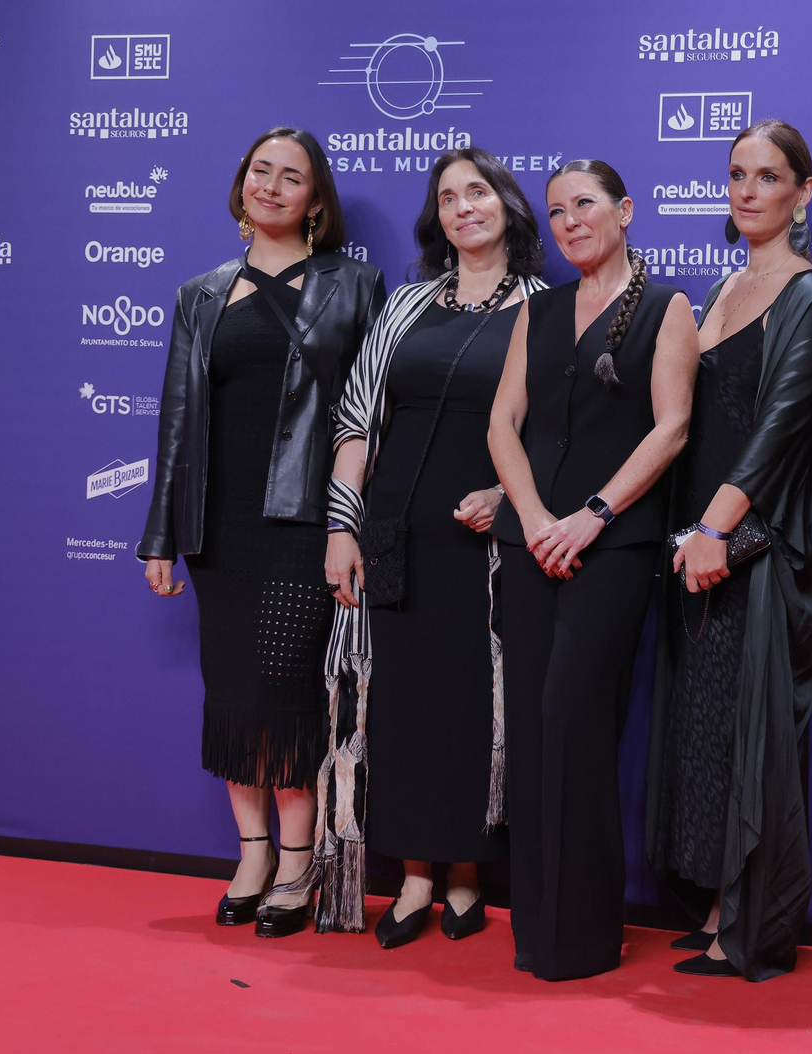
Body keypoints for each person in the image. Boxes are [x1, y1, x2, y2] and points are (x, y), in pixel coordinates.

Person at [137, 126, 385, 938]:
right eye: (260, 171)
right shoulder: (201, 292)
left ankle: (298, 859)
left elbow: (369, 413)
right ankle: (251, 853)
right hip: (220, 525)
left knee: (283, 695)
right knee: (232, 693)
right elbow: (177, 419)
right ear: (241, 185)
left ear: (316, 201)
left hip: (305, 519)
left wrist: (351, 520)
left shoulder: (355, 284)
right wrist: (162, 536)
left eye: (292, 177)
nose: (272, 186)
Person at [315, 149, 548, 944]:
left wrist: (506, 493)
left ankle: (465, 873)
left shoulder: (546, 307)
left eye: (477, 191)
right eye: (447, 197)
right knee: (399, 705)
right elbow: (355, 422)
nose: (462, 207)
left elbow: (558, 432)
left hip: (485, 552)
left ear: (508, 205)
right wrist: (342, 526)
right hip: (391, 534)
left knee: (473, 707)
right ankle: (413, 874)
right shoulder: (405, 304)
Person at [488, 159, 700, 981]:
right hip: (528, 541)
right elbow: (505, 424)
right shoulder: (536, 310)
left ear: (625, 210)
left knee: (573, 721)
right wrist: (537, 517)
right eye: (556, 211)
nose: (571, 220)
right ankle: (536, 932)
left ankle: (583, 934)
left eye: (585, 204)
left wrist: (593, 515)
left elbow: (671, 427)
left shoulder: (667, 306)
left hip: (610, 549)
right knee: (535, 737)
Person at [645, 120, 812, 980]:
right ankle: (721, 905)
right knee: (708, 731)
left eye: (769, 176)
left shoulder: (809, 293)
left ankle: (754, 926)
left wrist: (718, 530)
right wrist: (692, 537)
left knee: (754, 737)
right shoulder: (721, 289)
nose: (748, 189)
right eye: (736, 174)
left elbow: (778, 430)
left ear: (801, 191)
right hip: (699, 546)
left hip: (757, 548)